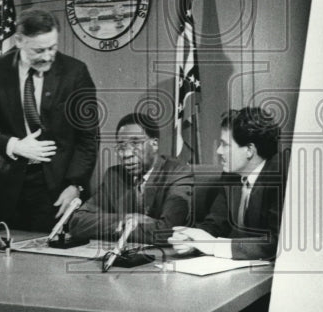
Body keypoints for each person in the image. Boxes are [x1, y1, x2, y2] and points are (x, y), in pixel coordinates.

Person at [0, 8, 98, 232]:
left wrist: (76, 185)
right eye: (40, 50)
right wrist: (14, 145)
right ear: (20, 40)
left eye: (53, 47)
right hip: (13, 187)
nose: (48, 56)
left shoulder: (75, 72)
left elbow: (88, 137)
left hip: (59, 188)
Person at [169, 106, 285, 260]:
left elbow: (277, 244)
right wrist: (192, 240)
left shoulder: (283, 177)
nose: (218, 151)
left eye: (225, 145)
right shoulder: (230, 176)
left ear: (250, 150)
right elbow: (216, 223)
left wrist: (213, 245)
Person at [69, 112, 193, 244]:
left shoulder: (178, 173)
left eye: (135, 143)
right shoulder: (115, 175)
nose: (127, 154)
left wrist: (110, 226)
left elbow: (167, 232)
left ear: (154, 144)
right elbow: (77, 222)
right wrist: (126, 219)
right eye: (122, 147)